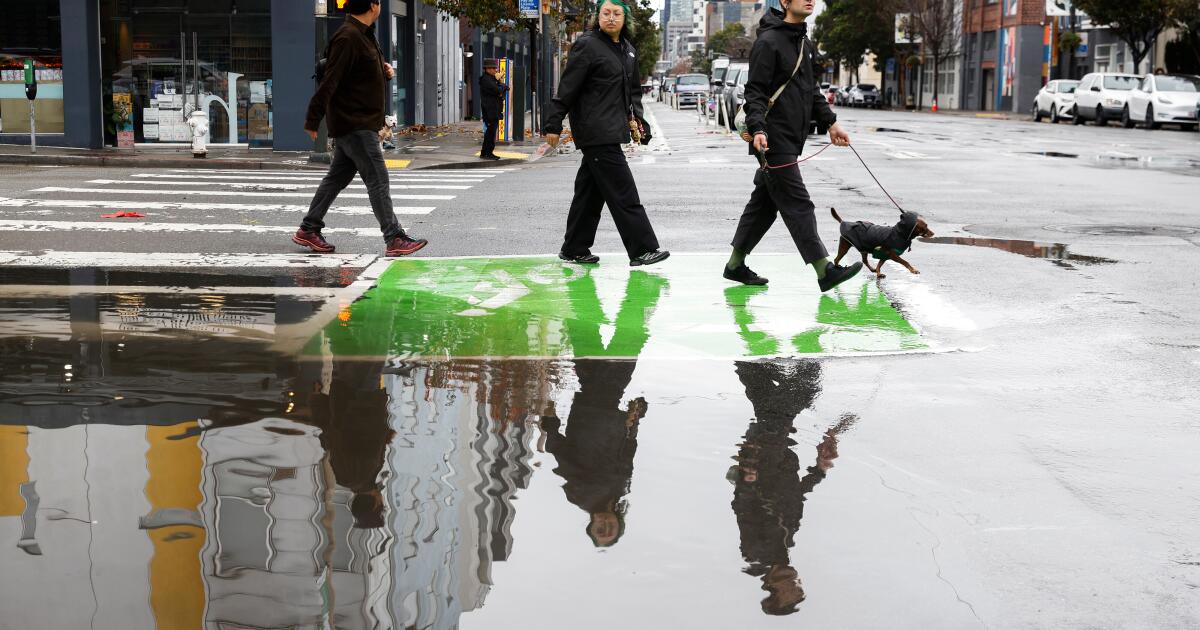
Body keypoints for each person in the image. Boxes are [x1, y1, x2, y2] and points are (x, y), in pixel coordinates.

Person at [724, 0, 861, 292]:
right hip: (772, 138)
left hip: (790, 137)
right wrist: (758, 128)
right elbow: (756, 92)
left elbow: (811, 92)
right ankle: (824, 270)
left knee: (764, 205)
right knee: (798, 203)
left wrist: (831, 124)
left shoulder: (804, 43)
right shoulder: (768, 42)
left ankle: (735, 266)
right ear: (785, 2)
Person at [296, 0, 427, 258]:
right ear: (373, 6)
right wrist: (313, 118)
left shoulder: (364, 35)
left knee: (336, 179)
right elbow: (331, 80)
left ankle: (308, 229)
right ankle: (394, 237)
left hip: (357, 122)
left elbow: (358, 75)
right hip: (355, 123)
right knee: (378, 179)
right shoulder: (348, 36)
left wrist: (385, 72)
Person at [543, 0, 670, 267]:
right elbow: (568, 87)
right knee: (624, 192)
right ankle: (642, 249)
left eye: (616, 14)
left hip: (612, 129)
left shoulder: (628, 51)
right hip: (595, 130)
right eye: (605, 13)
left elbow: (632, 93)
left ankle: (574, 248)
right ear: (597, 17)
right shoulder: (588, 45)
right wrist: (553, 124)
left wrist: (640, 123)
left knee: (589, 193)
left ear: (625, 19)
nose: (610, 18)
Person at [479, 60, 508, 160]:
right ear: (487, 69)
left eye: (495, 68)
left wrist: (500, 84)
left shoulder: (492, 78)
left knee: (491, 131)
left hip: (494, 108)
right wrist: (501, 86)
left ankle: (485, 152)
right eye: (493, 68)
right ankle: (487, 152)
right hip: (490, 109)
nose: (495, 70)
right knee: (490, 132)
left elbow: (503, 89)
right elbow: (498, 90)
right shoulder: (486, 80)